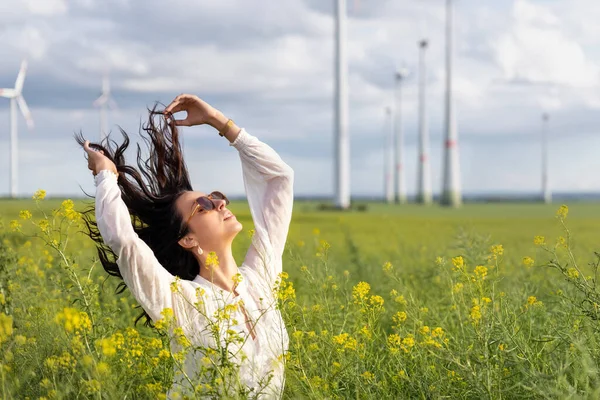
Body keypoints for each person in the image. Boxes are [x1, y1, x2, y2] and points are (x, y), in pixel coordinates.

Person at [79, 94, 294, 398]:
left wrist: (219, 122)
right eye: (204, 205)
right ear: (187, 239)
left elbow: (280, 179)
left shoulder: (261, 280)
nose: (219, 202)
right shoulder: (180, 301)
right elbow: (124, 242)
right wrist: (106, 175)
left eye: (215, 196)